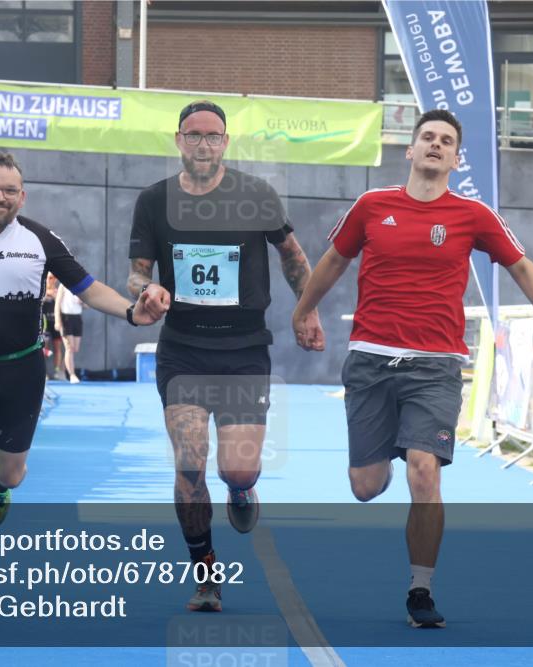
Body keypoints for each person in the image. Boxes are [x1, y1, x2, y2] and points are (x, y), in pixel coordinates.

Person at [291, 109, 533, 629]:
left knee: (424, 471)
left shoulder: (473, 216)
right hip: (372, 361)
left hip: (436, 367)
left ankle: (420, 590)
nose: (434, 145)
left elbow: (522, 267)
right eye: (426, 137)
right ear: (409, 150)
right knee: (366, 485)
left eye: (445, 141)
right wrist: (303, 309)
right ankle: (388, 449)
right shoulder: (371, 206)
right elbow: (334, 261)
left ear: (455, 157)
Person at [0, 151, 164, 604]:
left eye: (8, 191)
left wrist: (130, 312)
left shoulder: (40, 240)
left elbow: (87, 286)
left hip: (22, 369)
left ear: (21, 196)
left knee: (12, 471)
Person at [127, 100, 319, 612]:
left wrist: (308, 309)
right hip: (184, 350)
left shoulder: (256, 195)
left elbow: (292, 255)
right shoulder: (154, 200)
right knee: (190, 464)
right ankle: (206, 574)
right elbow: (137, 271)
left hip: (244, 350)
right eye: (194, 135)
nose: (203, 145)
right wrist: (147, 292)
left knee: (237, 471)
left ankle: (240, 491)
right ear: (178, 140)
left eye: (213, 136)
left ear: (226, 143)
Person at [55, 281, 84, 383]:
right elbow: (57, 303)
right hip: (66, 317)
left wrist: (83, 303)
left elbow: (88, 304)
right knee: (69, 348)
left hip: (77, 317)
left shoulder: (81, 286)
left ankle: (62, 370)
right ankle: (72, 375)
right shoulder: (63, 285)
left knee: (75, 348)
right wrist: (58, 321)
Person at [42, 274, 63, 379]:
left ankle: (57, 371)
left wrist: (55, 295)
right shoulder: (42, 291)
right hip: (45, 324)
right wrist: (47, 294)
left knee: (57, 348)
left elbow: (63, 304)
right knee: (44, 349)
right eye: (50, 277)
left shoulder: (58, 291)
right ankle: (43, 373)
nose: (52, 280)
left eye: (54, 277)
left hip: (56, 323)